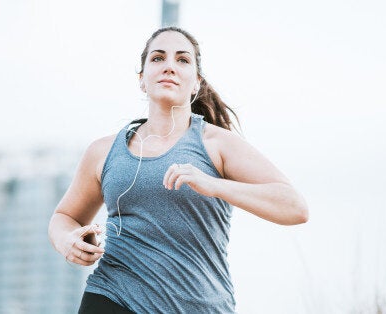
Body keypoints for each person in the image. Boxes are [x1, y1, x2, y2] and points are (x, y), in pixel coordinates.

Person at [48, 26, 309, 314]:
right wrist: (68, 240)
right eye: (158, 58)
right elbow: (65, 217)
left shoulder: (217, 144)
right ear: (142, 80)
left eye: (182, 60)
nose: (169, 66)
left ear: (196, 82)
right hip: (113, 297)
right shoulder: (103, 151)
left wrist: (214, 185)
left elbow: (295, 207)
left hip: (198, 306)